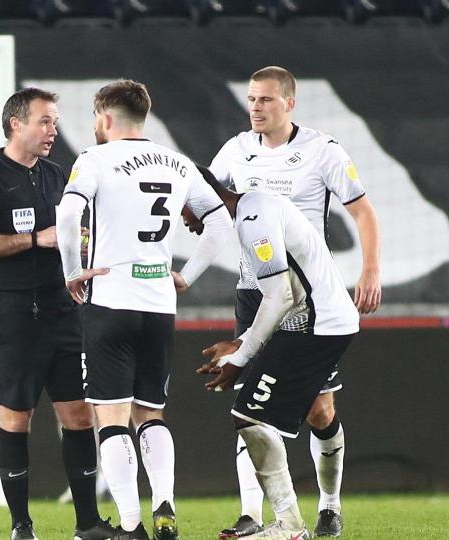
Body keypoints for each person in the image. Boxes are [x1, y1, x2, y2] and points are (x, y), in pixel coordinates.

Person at [208, 66, 381, 538]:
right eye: (251, 100)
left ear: (289, 103)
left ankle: (328, 504)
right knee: (250, 401)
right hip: (255, 290)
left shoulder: (321, 151)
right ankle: (251, 514)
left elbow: (362, 210)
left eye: (265, 99)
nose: (256, 108)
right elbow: (209, 201)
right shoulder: (236, 150)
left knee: (318, 410)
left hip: (306, 298)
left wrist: (369, 269)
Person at [56, 80, 232, 540]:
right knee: (151, 414)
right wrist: (188, 275)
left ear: (105, 117)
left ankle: (132, 525)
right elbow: (218, 220)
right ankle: (166, 504)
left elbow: (69, 214)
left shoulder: (95, 159)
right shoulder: (177, 161)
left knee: (110, 417)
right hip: (159, 304)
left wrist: (73, 270)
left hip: (111, 300)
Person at [0, 87, 113, 540]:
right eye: (44, 121)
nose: (53, 130)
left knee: (80, 415)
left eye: (54, 121)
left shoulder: (57, 175)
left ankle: (87, 524)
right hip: (14, 315)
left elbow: (73, 233)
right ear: (16, 124)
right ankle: (21, 526)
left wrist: (80, 256)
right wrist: (35, 239)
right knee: (16, 419)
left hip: (64, 311)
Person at [195, 168, 360, 540]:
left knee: (251, 414)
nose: (185, 221)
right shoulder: (254, 208)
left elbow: (280, 295)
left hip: (316, 324)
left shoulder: (253, 219)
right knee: (253, 414)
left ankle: (291, 526)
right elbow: (284, 295)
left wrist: (240, 357)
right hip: (311, 322)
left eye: (185, 210)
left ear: (203, 201)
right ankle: (284, 522)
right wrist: (242, 344)